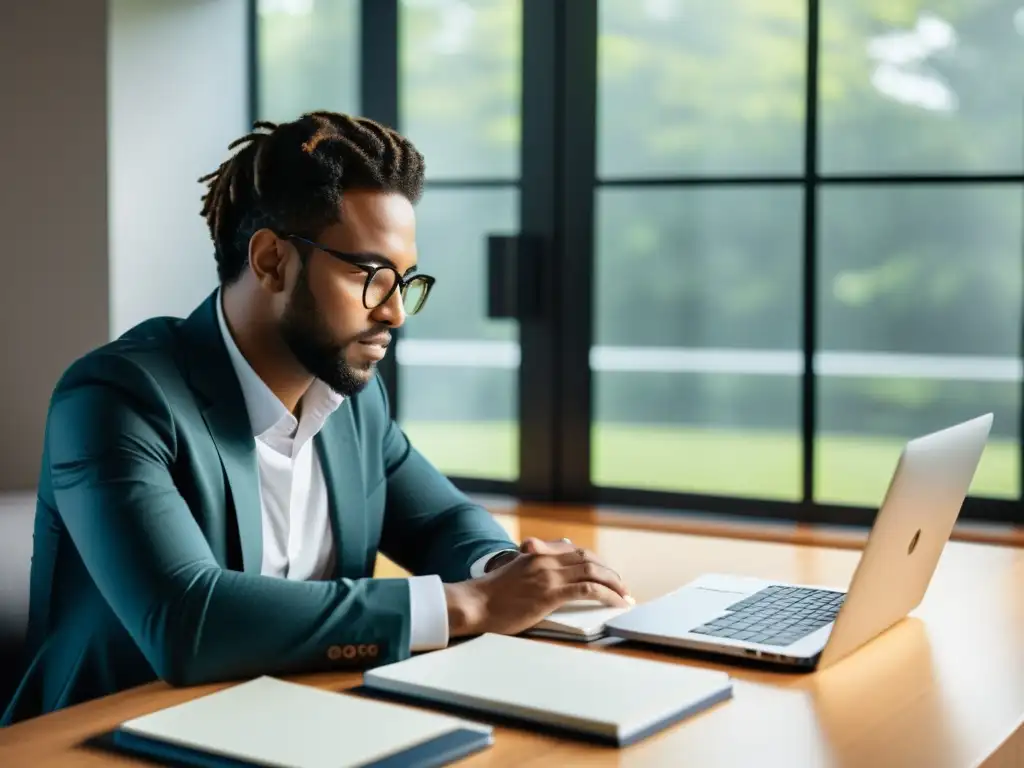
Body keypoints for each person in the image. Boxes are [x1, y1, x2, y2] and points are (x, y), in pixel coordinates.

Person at [1, 112, 631, 725]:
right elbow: (188, 620)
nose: (395, 313)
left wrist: (505, 573)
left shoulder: (352, 400)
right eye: (372, 275)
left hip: (304, 720)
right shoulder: (115, 397)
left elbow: (440, 518)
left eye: (405, 281)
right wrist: (465, 606)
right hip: (110, 737)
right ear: (272, 260)